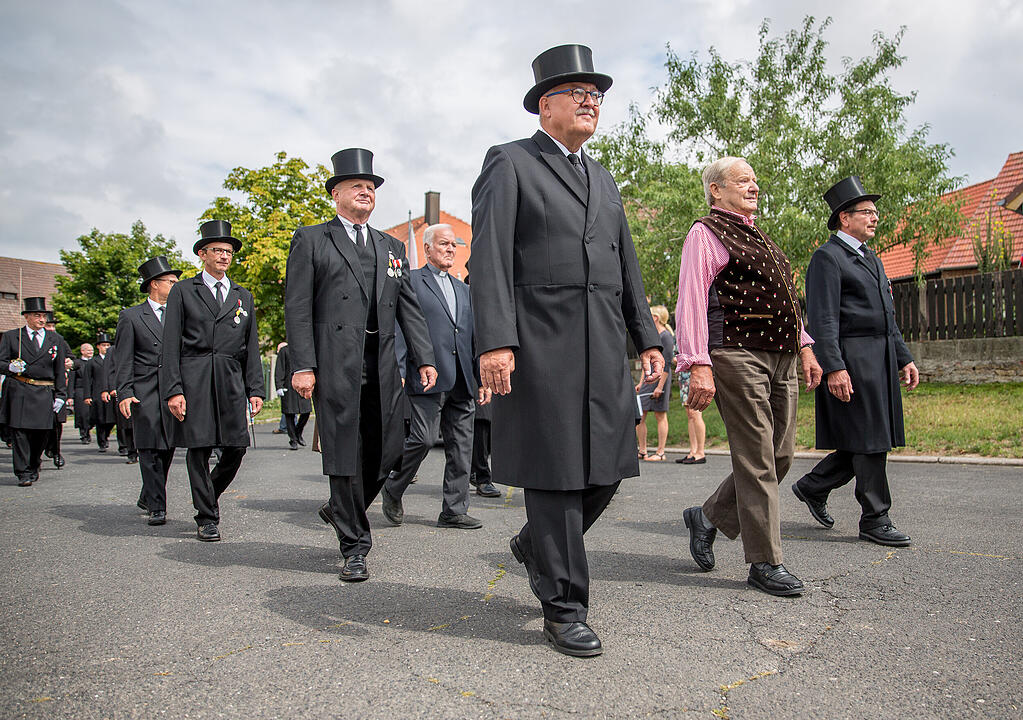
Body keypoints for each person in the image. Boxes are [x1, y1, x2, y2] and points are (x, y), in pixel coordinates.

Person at [471, 44, 663, 656]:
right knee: (554, 473)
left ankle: (534, 545)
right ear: (543, 104)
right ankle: (564, 604)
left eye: (597, 95)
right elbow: (492, 257)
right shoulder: (510, 163)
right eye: (577, 92)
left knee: (607, 468)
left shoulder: (602, 177)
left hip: (603, 345)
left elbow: (625, 265)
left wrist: (647, 338)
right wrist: (496, 342)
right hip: (541, 344)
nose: (590, 102)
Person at [285, 148, 436, 582]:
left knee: (388, 450)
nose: (367, 193)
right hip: (335, 363)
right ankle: (354, 546)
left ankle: (340, 509)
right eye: (358, 186)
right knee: (343, 453)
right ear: (337, 194)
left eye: (371, 188)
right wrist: (303, 364)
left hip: (383, 362)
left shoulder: (390, 246)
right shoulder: (312, 239)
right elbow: (296, 307)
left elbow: (408, 306)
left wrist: (424, 356)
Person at [676, 156, 823, 597]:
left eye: (755, 181)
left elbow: (786, 301)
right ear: (716, 190)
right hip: (735, 353)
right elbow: (690, 299)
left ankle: (706, 517)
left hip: (781, 355)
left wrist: (805, 344)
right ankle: (765, 562)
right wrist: (697, 361)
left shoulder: (762, 237)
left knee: (780, 456)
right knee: (757, 458)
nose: (753, 186)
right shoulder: (706, 233)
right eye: (742, 181)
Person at [792, 176, 919, 547]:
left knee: (863, 439)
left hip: (878, 359)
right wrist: (833, 366)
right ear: (844, 218)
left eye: (876, 212)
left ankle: (813, 486)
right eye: (867, 212)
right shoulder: (827, 258)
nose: (875, 218)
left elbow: (887, 316)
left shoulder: (872, 258)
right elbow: (823, 318)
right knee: (870, 440)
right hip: (852, 359)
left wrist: (903, 358)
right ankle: (875, 518)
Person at [161, 220, 265, 542]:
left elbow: (251, 346)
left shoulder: (241, 296)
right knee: (199, 448)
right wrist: (174, 389)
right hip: (194, 378)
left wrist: (255, 388)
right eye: (218, 251)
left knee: (236, 449)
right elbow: (170, 344)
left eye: (229, 252)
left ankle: (209, 495)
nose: (224, 256)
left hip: (231, 378)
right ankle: (206, 516)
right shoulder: (183, 291)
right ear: (203, 254)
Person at [381, 224, 490, 529]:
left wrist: (481, 379)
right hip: (426, 375)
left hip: (463, 380)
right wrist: (400, 369)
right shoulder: (412, 280)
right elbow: (402, 327)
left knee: (461, 447)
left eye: (453, 245)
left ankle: (453, 510)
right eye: (443, 244)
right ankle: (393, 486)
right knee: (423, 439)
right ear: (427, 248)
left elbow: (471, 336)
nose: (450, 249)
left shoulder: (464, 290)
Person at [115, 256, 182, 525]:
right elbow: (123, 358)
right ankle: (157, 506)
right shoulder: (131, 316)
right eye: (172, 281)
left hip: (172, 389)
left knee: (167, 447)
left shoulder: (179, 314)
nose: (176, 285)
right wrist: (124, 391)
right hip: (144, 390)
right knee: (150, 448)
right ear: (155, 284)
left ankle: (148, 494)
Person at [0, 297, 68, 486]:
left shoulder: (56, 339)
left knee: (42, 433)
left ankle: (33, 463)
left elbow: (60, 370)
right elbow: (1, 362)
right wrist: (10, 367)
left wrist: (61, 395)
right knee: (20, 433)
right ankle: (22, 472)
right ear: (27, 317)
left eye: (43, 316)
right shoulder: (12, 336)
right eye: (37, 315)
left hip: (44, 391)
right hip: (20, 389)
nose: (41, 319)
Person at [635, 305, 674, 462]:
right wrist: (640, 382)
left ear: (656, 318)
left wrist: (659, 387)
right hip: (648, 379)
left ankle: (660, 452)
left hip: (661, 380)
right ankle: (642, 450)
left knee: (660, 415)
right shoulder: (651, 336)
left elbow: (667, 363)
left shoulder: (666, 337)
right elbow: (647, 359)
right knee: (641, 415)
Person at [42, 311, 72, 469]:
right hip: (39, 387)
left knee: (56, 423)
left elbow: (74, 360)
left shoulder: (59, 341)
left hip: (57, 387)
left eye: (53, 325)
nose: (51, 328)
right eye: (49, 325)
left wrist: (69, 363)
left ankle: (55, 450)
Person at [273, 341, 311, 450]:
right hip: (288, 386)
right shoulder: (284, 351)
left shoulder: (304, 351)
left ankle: (298, 432)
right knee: (289, 414)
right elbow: (279, 369)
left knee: (306, 411)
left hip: (302, 385)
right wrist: (279, 386)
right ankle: (293, 439)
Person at [83, 332, 116, 452]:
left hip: (111, 393)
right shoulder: (92, 362)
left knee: (112, 419)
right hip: (97, 393)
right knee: (100, 419)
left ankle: (107, 435)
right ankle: (102, 442)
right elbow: (87, 380)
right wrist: (87, 395)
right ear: (98, 347)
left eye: (108, 345)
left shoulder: (114, 360)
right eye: (103, 345)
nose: (106, 347)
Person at [108, 342, 137, 463]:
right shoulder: (113, 350)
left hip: (143, 385)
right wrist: (112, 388)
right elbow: (110, 371)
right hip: (125, 387)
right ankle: (131, 452)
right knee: (128, 423)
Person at [674, 358, 707, 465]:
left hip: (694, 375)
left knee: (696, 413)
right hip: (684, 377)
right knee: (690, 415)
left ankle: (700, 452)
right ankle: (693, 450)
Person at [70, 343, 94, 444]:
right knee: (83, 413)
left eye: (91, 350)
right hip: (81, 390)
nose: (90, 352)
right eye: (88, 350)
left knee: (92, 413)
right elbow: (71, 381)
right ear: (82, 351)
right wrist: (70, 396)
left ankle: (90, 429)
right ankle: (84, 433)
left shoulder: (95, 362)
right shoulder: (77, 363)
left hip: (93, 390)